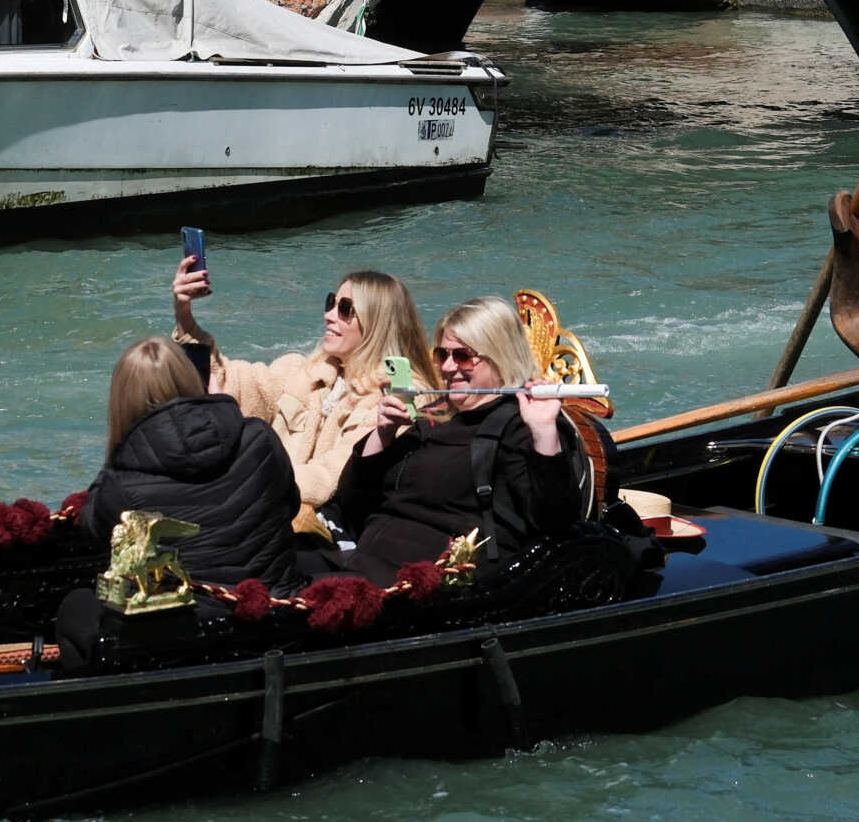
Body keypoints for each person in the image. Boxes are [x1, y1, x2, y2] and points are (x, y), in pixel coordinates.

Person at [320, 296, 582, 586]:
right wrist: (382, 434)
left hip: (425, 583)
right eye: (441, 355)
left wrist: (545, 431)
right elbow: (351, 504)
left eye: (462, 356)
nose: (446, 367)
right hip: (362, 562)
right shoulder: (433, 417)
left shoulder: (521, 424)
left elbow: (556, 523)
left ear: (500, 356)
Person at [169, 251, 433, 528]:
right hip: (270, 505)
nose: (329, 315)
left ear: (377, 325)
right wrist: (184, 314)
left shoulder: (396, 396)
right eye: (331, 302)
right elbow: (229, 380)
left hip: (328, 530)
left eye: (345, 309)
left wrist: (243, 484)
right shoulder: (303, 370)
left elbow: (331, 475)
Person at [76, 337, 300, 592]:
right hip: (278, 607)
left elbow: (93, 532)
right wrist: (222, 409)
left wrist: (114, 454)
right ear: (195, 379)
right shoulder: (259, 437)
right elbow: (290, 506)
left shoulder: (121, 483)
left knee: (76, 605)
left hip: (191, 621)